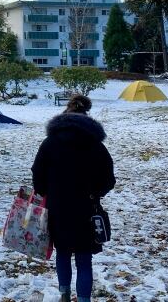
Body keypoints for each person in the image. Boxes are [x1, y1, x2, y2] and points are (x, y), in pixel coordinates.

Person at [31, 95, 115, 302]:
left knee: (63, 253)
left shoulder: (49, 143)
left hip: (57, 208)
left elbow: (37, 173)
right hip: (87, 209)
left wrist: (45, 192)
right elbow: (109, 179)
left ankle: (64, 294)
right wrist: (96, 193)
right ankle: (84, 299)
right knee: (85, 259)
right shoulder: (97, 146)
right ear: (87, 118)